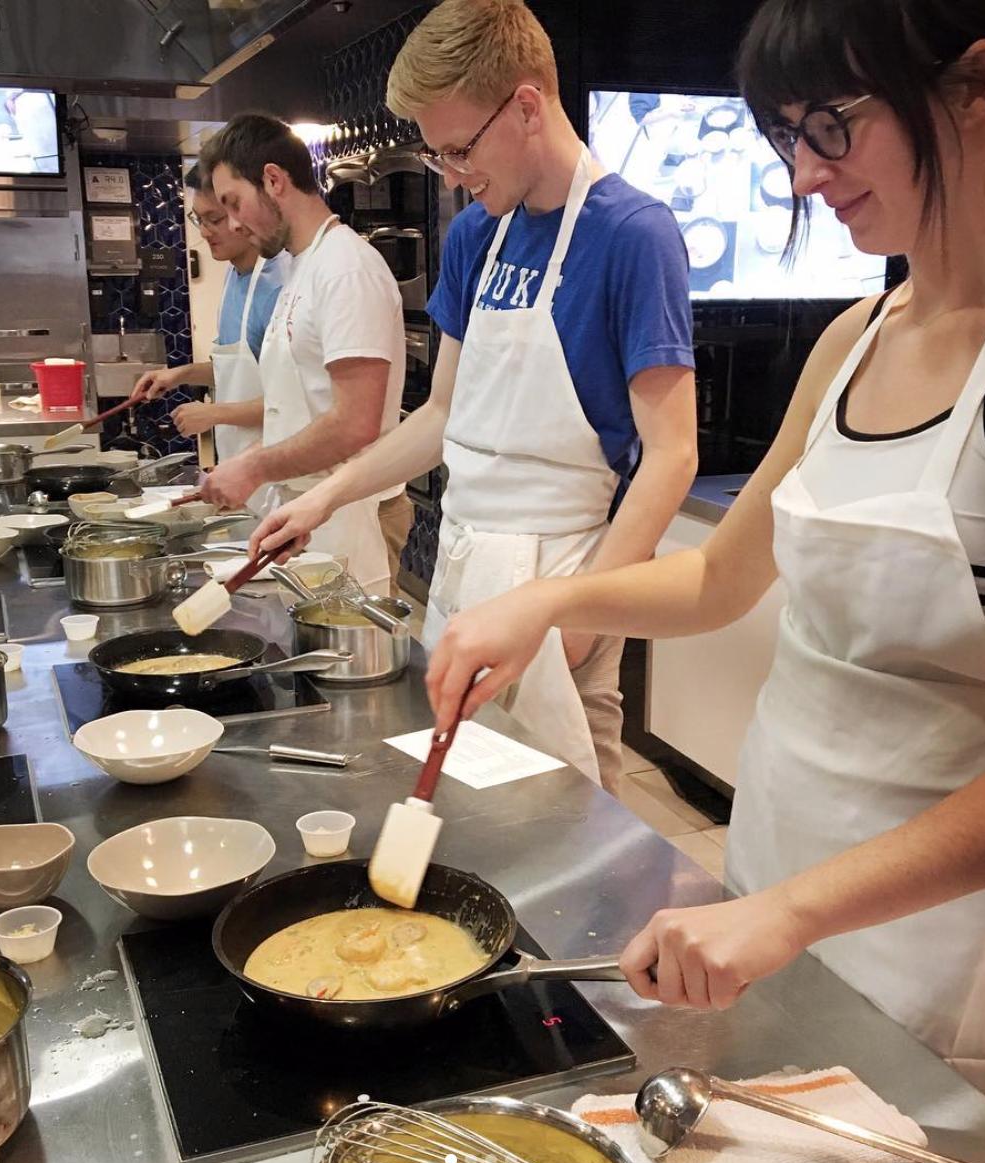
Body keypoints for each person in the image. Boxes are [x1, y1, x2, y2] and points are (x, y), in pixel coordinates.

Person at [420, 0, 985, 1156]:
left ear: (975, 86)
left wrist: (792, 908)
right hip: (774, 880)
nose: (806, 175)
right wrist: (545, 599)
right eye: (784, 139)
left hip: (955, 952)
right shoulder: (854, 338)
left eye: (831, 126)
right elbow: (723, 576)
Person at [249, 0, 698, 792]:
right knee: (460, 803)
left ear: (526, 106)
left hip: (560, 576)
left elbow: (672, 454)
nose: (452, 175)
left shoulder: (632, 233)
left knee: (572, 824)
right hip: (461, 566)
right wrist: (324, 500)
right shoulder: (476, 237)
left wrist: (583, 626)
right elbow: (443, 416)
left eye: (459, 149)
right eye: (437, 157)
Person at [196, 115, 412, 596]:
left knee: (355, 658)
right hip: (311, 511)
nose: (232, 223)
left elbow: (356, 423)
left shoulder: (345, 269)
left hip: (353, 512)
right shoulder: (302, 268)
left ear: (274, 180)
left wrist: (253, 467)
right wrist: (253, 457)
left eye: (234, 204)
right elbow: (303, 402)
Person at [131, 165, 286, 512]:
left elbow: (296, 404)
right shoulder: (234, 276)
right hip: (243, 474)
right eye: (197, 219)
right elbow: (237, 367)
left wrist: (214, 413)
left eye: (214, 218)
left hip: (281, 477)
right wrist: (180, 374)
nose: (205, 232)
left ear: (240, 212)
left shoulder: (279, 285)